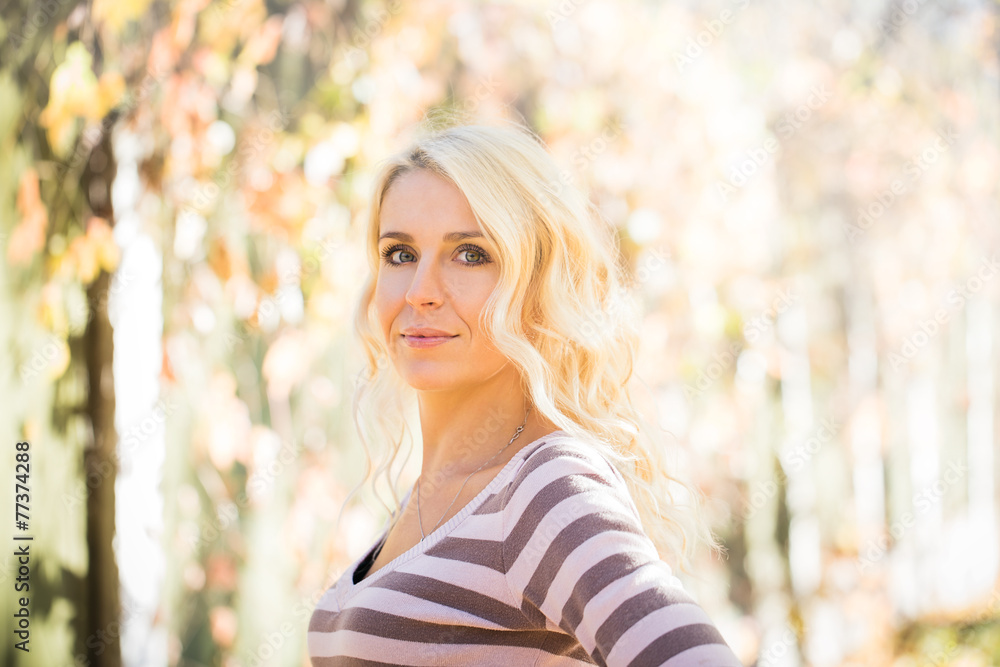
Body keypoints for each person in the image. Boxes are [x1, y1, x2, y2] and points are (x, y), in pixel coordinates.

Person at [308, 120, 743, 666]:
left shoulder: (544, 491)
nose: (420, 292)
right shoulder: (443, 494)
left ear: (536, 284)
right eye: (400, 254)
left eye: (470, 254)